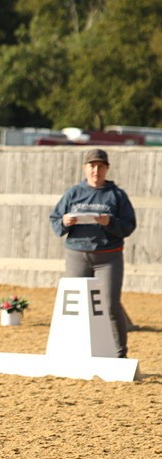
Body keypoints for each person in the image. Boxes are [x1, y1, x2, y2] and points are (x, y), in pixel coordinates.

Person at [49, 147, 137, 357]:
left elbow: (129, 225)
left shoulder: (116, 195)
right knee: (76, 306)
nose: (96, 170)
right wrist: (64, 221)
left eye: (100, 166)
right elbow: (55, 220)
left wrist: (110, 222)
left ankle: (119, 353)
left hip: (108, 257)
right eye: (92, 166)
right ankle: (74, 352)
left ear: (107, 169)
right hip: (77, 254)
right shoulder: (73, 193)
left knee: (110, 304)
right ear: (85, 168)